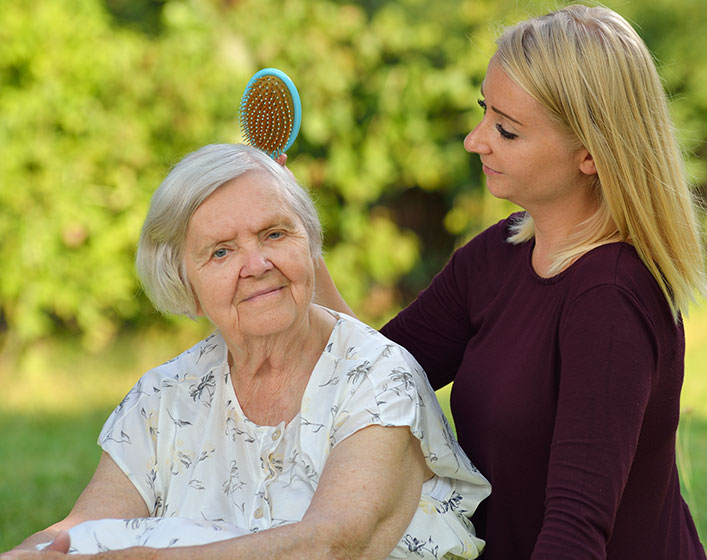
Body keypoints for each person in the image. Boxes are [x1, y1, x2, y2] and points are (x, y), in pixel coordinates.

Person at [314, 5, 707, 559]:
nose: (476, 141)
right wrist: (292, 239)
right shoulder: (501, 254)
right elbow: (376, 378)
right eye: (485, 112)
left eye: (506, 129)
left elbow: (576, 535)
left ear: (591, 153)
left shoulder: (611, 303)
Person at [2, 143, 490, 559]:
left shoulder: (377, 375)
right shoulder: (165, 396)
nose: (256, 264)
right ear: (185, 287)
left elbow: (332, 542)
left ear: (309, 246)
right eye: (221, 251)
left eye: (275, 234)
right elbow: (84, 526)